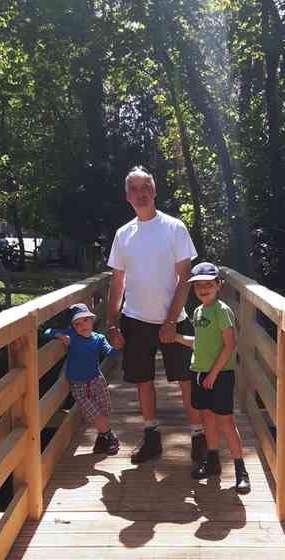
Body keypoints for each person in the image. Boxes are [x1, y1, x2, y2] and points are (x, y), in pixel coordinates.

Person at [106, 165, 206, 464]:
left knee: (186, 380)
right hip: (135, 320)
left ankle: (199, 436)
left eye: (145, 187)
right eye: (134, 188)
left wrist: (171, 321)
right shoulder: (123, 234)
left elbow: (184, 277)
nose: (140, 193)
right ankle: (151, 437)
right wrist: (111, 323)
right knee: (142, 380)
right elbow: (117, 281)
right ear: (127, 196)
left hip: (173, 319)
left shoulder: (174, 227)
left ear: (154, 190)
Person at [175, 261, 251, 492]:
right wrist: (176, 337)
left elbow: (230, 345)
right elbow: (199, 343)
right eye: (198, 286)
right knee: (207, 418)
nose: (203, 289)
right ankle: (213, 461)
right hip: (199, 372)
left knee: (225, 421)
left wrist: (214, 374)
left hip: (220, 374)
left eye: (208, 284)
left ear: (219, 285)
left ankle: (240, 470)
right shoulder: (198, 312)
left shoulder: (222, 310)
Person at [44, 302, 119, 455]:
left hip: (97, 380)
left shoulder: (98, 338)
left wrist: (118, 348)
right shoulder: (71, 336)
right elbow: (47, 331)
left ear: (92, 320)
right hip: (79, 385)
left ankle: (101, 441)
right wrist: (59, 335)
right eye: (77, 323)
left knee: (104, 410)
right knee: (93, 412)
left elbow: (109, 352)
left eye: (85, 320)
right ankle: (110, 437)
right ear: (72, 327)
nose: (82, 326)